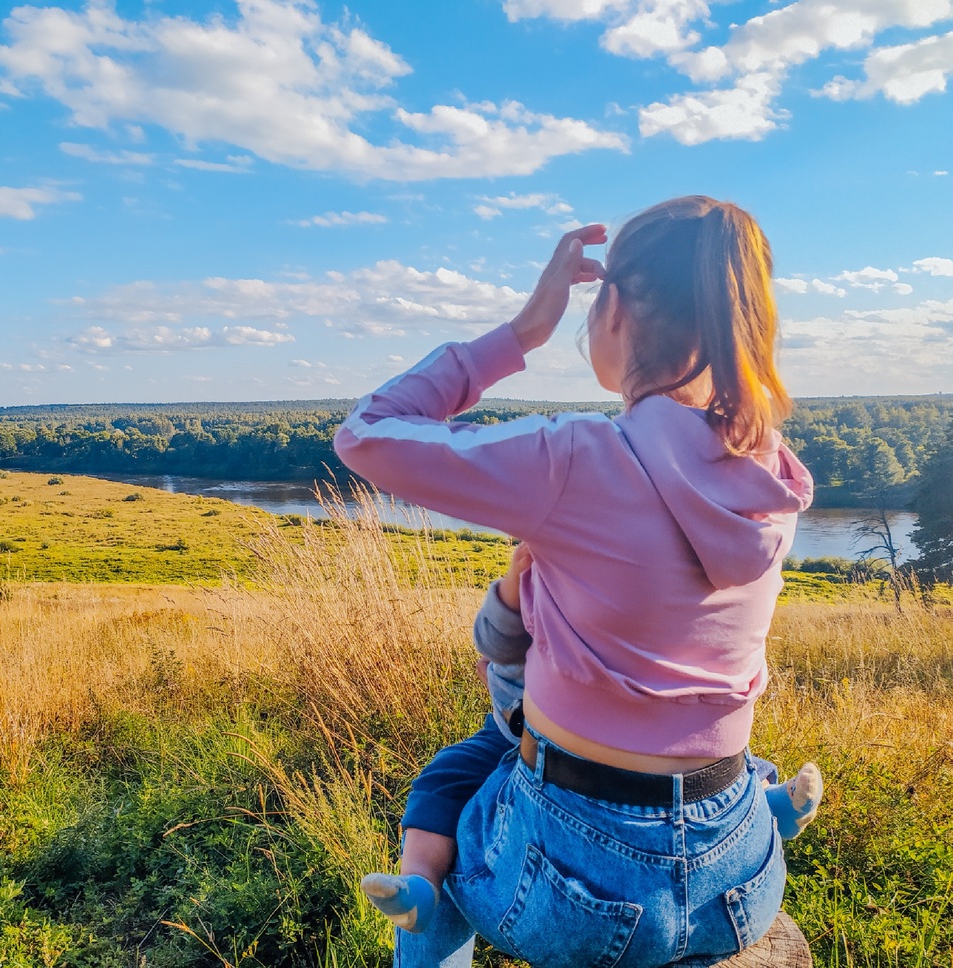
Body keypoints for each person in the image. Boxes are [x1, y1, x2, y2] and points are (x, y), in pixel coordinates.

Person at [334, 197, 817, 967]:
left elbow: (366, 434)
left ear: (614, 307)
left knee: (449, 842)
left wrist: (522, 332)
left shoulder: (573, 458)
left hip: (579, 888)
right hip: (739, 869)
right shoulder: (772, 470)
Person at [361, 542, 822, 935]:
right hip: (510, 732)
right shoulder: (538, 581)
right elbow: (493, 640)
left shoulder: (612, 596)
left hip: (571, 746)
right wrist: (515, 579)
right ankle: (418, 881)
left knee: (723, 760)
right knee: (443, 780)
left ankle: (769, 805)